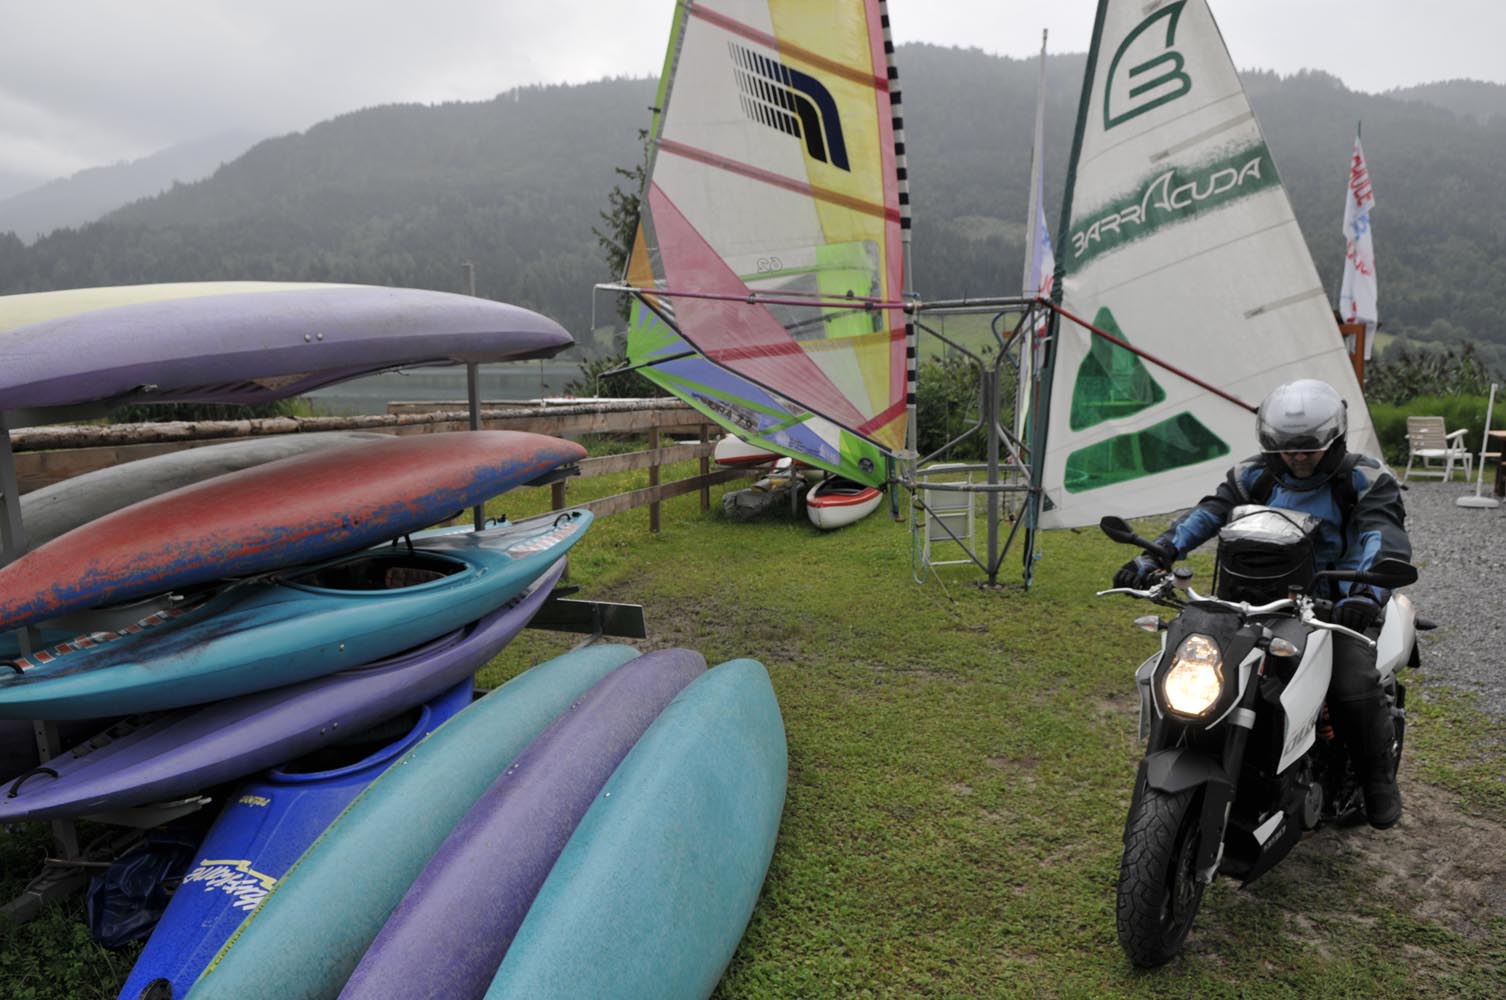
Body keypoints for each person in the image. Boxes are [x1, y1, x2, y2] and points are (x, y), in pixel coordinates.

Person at [1112, 379, 1411, 829]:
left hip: (1334, 608)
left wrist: (1365, 595)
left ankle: (1378, 783)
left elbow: (1381, 535)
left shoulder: (1365, 479)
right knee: (1195, 664)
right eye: (1286, 448)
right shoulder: (1252, 476)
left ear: (1334, 440)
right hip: (1248, 603)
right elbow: (1206, 515)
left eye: (1309, 449)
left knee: (1351, 683)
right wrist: (1155, 555)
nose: (1298, 458)